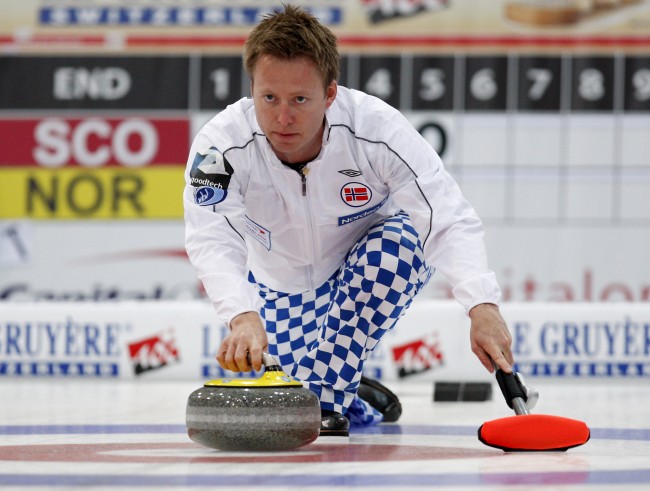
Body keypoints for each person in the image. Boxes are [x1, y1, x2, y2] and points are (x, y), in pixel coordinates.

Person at [183, 4, 513, 437]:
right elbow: (211, 237)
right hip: (277, 289)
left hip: (363, 267)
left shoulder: (377, 128)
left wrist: (481, 305)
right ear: (252, 89)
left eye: (300, 99)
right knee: (298, 388)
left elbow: (445, 215)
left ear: (331, 94)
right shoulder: (218, 147)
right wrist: (242, 315)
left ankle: (332, 389)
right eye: (269, 98)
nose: (283, 117)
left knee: (403, 243)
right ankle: (350, 389)